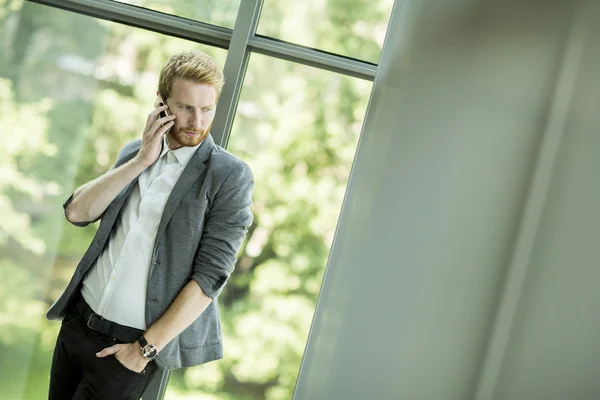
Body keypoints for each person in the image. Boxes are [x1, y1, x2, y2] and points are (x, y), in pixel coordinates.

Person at [46, 50, 254, 400]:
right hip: (78, 324)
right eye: (185, 107)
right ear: (160, 103)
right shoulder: (134, 153)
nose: (197, 121)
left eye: (207, 109)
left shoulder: (228, 176)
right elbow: (76, 212)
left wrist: (142, 350)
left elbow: (211, 277)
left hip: (128, 349)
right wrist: (142, 159)